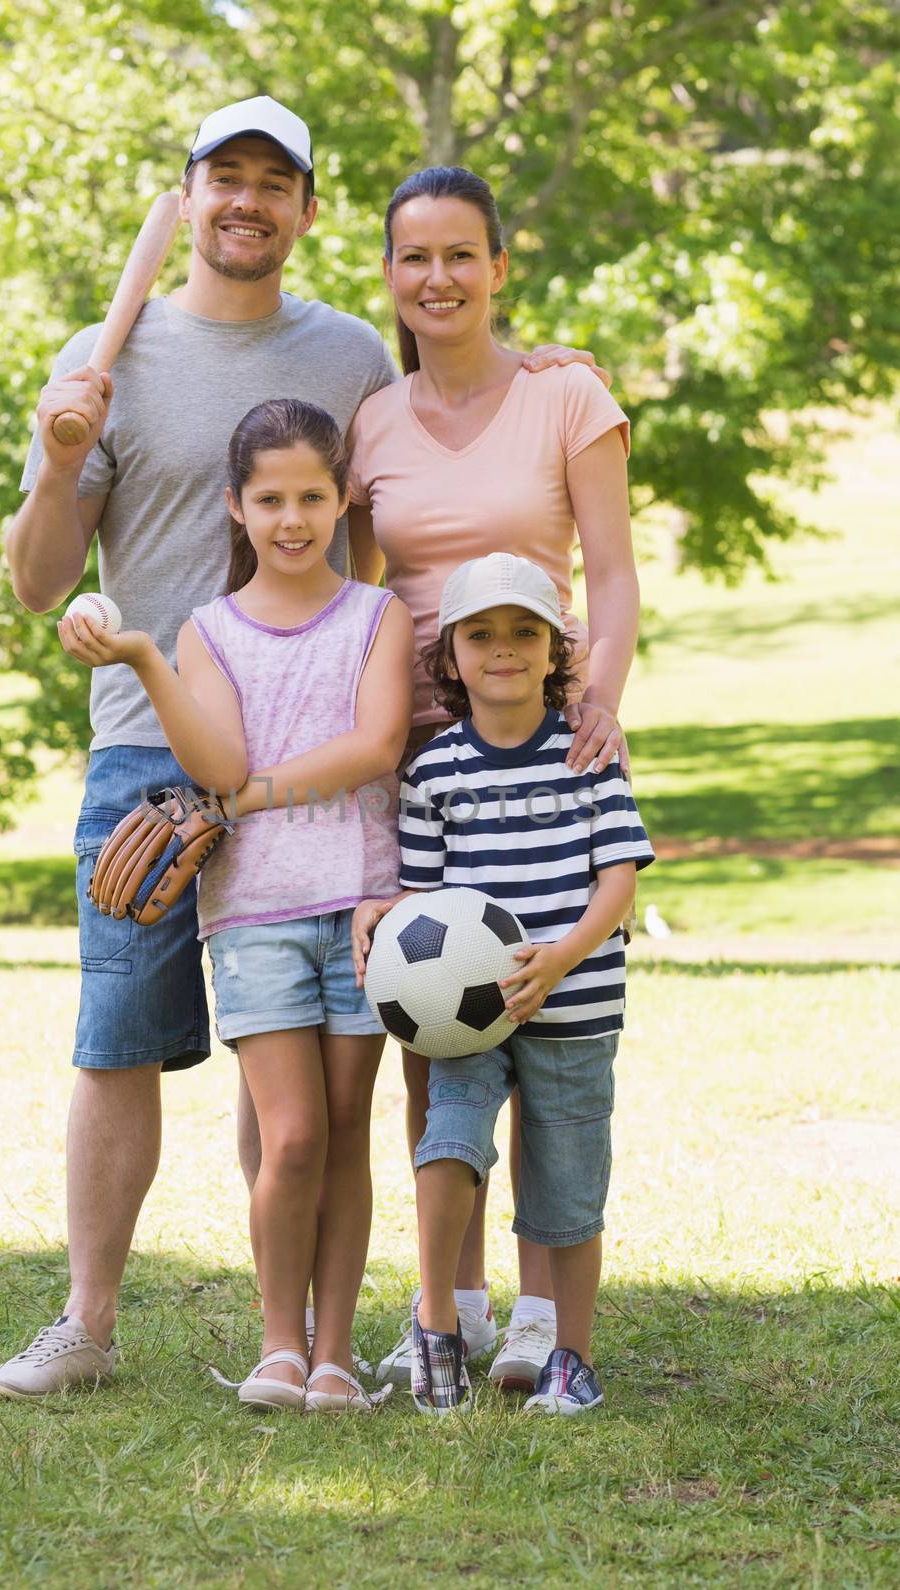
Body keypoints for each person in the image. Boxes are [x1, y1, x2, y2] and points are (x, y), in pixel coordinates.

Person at [0, 89, 604, 1400]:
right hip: (151, 753)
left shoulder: (344, 362)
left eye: (275, 181)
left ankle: (305, 1339)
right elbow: (37, 586)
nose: (246, 199)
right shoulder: (105, 356)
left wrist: (543, 361)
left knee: (298, 1086)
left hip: (325, 775)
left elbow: (438, 428)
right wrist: (56, 465)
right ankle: (87, 1323)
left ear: (306, 214)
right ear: (190, 193)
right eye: (224, 176)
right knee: (116, 1037)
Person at [343, 165, 640, 1391]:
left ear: (499, 265)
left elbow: (612, 578)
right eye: (414, 258)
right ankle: (447, 1306)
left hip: (543, 732)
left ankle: (536, 1318)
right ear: (389, 276)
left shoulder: (566, 395)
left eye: (461, 254)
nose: (438, 279)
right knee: (439, 1032)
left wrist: (600, 699)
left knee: (551, 1045)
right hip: (413, 755)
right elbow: (358, 599)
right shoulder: (371, 419)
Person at [60, 399, 412, 1410]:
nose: (293, 518)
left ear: (342, 496)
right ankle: (277, 1346)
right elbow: (215, 762)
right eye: (271, 499)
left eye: (311, 495)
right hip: (251, 913)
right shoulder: (206, 633)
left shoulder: (374, 617)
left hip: (359, 907)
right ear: (236, 506)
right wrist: (142, 660)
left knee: (346, 1128)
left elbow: (373, 747)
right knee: (291, 1133)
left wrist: (252, 796)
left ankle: (334, 1350)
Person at [352, 552, 653, 1414]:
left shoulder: (587, 752)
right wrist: (381, 911)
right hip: (463, 1017)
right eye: (479, 634)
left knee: (565, 1180)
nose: (503, 649)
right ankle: (439, 1322)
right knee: (449, 1142)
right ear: (448, 657)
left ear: (556, 647)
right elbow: (424, 894)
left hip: (577, 1003)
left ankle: (571, 1356)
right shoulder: (435, 770)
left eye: (525, 632)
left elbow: (620, 877)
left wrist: (560, 956)